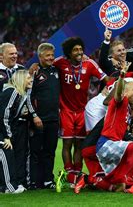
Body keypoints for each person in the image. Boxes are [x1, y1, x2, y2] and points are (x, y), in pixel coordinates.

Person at [53, 37, 107, 184]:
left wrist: (114, 87)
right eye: (75, 50)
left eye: (80, 49)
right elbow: (46, 64)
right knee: (67, 144)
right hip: (66, 110)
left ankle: (77, 172)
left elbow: (105, 78)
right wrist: (34, 67)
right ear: (68, 53)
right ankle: (68, 172)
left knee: (79, 144)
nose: (79, 52)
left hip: (82, 111)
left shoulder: (89, 64)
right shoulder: (60, 62)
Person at [96, 62, 133, 194]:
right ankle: (130, 184)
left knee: (117, 184)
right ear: (126, 93)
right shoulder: (121, 102)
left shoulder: (128, 109)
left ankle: (88, 180)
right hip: (107, 144)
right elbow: (118, 93)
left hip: (114, 145)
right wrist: (122, 75)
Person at [29, 43, 60, 189]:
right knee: (36, 152)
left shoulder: (56, 70)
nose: (51, 58)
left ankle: (48, 180)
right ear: (40, 56)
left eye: (52, 55)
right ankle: (35, 181)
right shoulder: (34, 72)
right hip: (38, 119)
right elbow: (28, 96)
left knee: (50, 151)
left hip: (54, 118)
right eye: (47, 55)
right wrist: (34, 115)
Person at [0, 70, 33, 194]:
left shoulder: (19, 93)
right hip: (2, 132)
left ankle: (8, 185)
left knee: (9, 155)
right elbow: (4, 115)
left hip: (4, 130)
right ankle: (10, 187)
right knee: (6, 154)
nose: (31, 80)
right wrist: (7, 136)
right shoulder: (12, 92)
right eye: (28, 78)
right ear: (21, 79)